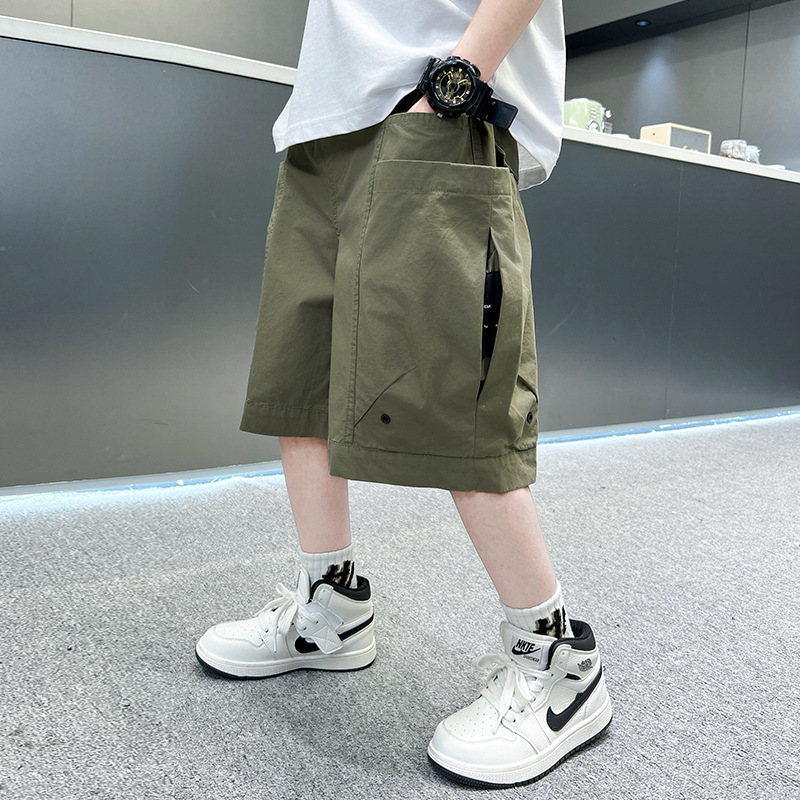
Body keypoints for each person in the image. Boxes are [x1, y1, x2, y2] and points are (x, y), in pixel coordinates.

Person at [195, 0, 612, 787]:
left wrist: (454, 83)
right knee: (301, 387)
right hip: (323, 126)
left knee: (458, 406)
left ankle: (559, 663)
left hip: (436, 105)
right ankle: (332, 609)